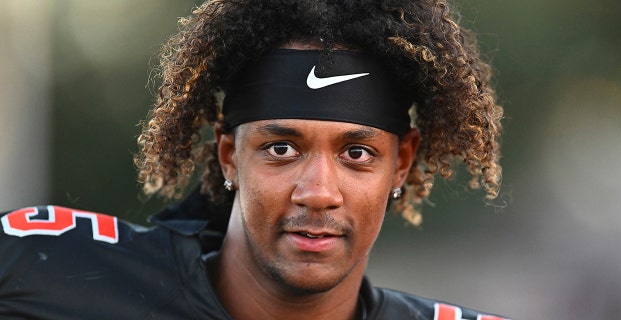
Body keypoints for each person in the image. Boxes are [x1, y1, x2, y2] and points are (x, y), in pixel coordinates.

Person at [0, 0, 506, 319]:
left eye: (357, 153)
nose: (318, 192)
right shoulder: (39, 270)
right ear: (228, 157)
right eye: (281, 149)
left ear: (401, 163)